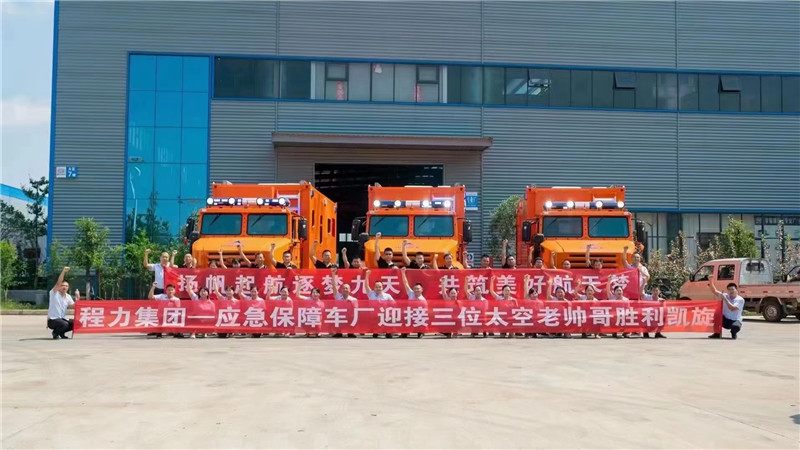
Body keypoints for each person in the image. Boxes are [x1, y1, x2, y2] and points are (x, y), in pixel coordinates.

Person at [47, 267, 77, 339]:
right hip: (53, 320)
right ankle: (55, 333)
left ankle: (61, 333)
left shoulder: (68, 296)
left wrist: (77, 297)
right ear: (59, 287)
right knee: (64, 324)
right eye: (63, 285)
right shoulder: (54, 293)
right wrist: (63, 271)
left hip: (62, 319)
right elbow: (58, 282)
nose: (64, 287)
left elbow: (73, 306)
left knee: (76, 323)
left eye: (66, 286)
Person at [364, 269, 395, 338]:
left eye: (380, 287)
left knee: (390, 317)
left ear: (382, 287)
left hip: (385, 315)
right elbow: (366, 286)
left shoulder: (387, 296)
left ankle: (388, 332)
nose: (378, 288)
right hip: (374, 315)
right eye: (376, 287)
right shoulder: (371, 294)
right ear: (374, 288)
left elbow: (394, 304)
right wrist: (367, 275)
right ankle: (375, 332)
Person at [331, 266, 358, 338]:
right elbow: (334, 285)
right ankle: (338, 332)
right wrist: (333, 275)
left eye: (347, 288)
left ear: (350, 290)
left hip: (349, 317)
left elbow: (355, 312)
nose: (345, 289)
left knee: (353, 317)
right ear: (341, 290)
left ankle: (350, 332)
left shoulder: (354, 299)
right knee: (335, 315)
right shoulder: (338, 296)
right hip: (340, 316)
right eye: (343, 288)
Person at [400, 267, 425, 338]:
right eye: (415, 289)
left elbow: (425, 312)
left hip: (419, 315)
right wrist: (403, 273)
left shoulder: (423, 300)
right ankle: (405, 332)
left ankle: (421, 332)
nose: (416, 290)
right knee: (403, 314)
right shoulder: (411, 293)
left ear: (422, 290)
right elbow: (405, 283)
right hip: (410, 313)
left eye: (418, 289)